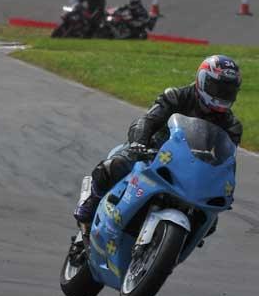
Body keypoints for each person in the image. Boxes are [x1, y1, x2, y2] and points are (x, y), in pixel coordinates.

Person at [73, 55, 243, 226]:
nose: (222, 94)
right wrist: (138, 142)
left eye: (228, 91)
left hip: (191, 169)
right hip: (152, 153)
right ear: (202, 80)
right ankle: (92, 202)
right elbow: (147, 120)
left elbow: (227, 162)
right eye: (218, 88)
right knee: (113, 166)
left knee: (208, 220)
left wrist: (223, 185)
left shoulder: (231, 125)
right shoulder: (176, 96)